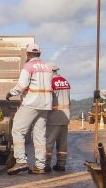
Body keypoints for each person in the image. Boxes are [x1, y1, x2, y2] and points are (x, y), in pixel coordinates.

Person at [6, 44, 53, 175]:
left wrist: (11, 93)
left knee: (18, 130)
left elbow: (21, 85)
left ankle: (21, 161)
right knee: (39, 135)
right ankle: (40, 165)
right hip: (45, 104)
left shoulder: (28, 66)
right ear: (40, 53)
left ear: (27, 55)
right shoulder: (47, 67)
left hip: (31, 103)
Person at [45, 62, 71, 172]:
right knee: (62, 142)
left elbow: (48, 100)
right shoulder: (65, 81)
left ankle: (46, 165)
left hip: (54, 116)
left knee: (49, 141)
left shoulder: (50, 82)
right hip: (66, 116)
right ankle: (61, 164)